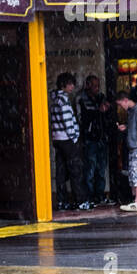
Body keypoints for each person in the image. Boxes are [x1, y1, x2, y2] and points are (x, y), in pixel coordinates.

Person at [50, 72, 91, 211]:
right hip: (67, 140)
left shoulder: (54, 99)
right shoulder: (63, 100)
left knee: (61, 172)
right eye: (70, 84)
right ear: (64, 85)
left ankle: (62, 201)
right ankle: (80, 201)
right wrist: (75, 137)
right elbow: (68, 122)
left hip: (57, 139)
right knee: (76, 170)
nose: (72, 86)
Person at [77, 74, 114, 206]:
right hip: (90, 139)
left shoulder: (101, 97)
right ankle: (90, 197)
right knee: (90, 170)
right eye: (94, 85)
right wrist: (98, 111)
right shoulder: (81, 99)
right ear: (87, 85)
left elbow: (107, 115)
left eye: (98, 85)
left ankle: (100, 196)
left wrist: (108, 108)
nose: (97, 88)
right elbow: (83, 119)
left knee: (101, 169)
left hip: (102, 138)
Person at [116, 91, 137, 211]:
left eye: (120, 105)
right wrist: (126, 128)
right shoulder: (133, 112)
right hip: (135, 148)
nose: (121, 107)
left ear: (125, 100)